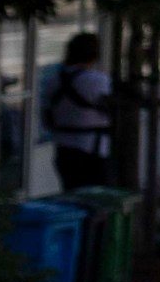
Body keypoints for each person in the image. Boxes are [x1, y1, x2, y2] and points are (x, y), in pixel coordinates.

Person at [48, 32, 117, 193]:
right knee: (97, 203)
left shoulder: (54, 81)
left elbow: (47, 117)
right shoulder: (98, 80)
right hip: (93, 151)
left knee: (72, 197)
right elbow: (111, 109)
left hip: (63, 150)